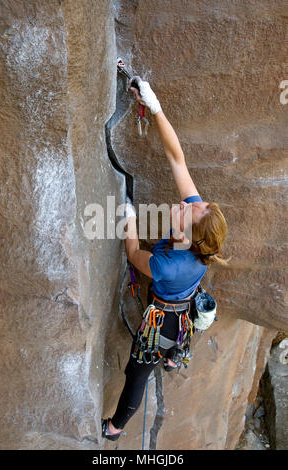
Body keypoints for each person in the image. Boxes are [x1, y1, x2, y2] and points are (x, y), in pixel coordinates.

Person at [102, 76, 229, 440]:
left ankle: (114, 428)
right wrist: (155, 107)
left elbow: (132, 253)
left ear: (188, 235)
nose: (188, 202)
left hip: (164, 322)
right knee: (174, 341)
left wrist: (128, 218)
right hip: (183, 305)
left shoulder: (167, 266)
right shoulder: (197, 236)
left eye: (191, 209)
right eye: (198, 203)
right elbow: (177, 157)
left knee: (137, 372)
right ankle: (174, 357)